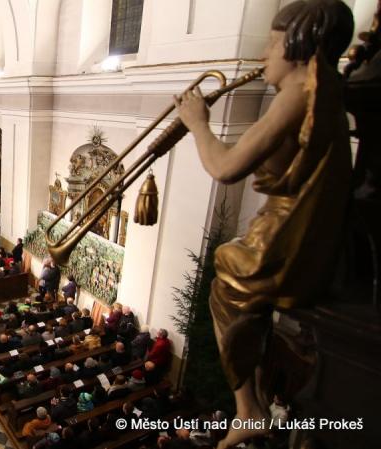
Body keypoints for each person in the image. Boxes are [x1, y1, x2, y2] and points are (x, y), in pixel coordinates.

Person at [174, 2, 354, 447]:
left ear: (297, 44)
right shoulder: (323, 93)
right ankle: (248, 406)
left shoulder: (297, 94)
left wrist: (198, 124)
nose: (263, 56)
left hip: (283, 233)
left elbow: (226, 167)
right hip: (305, 232)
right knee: (234, 289)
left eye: (271, 44)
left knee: (229, 279)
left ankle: (248, 409)